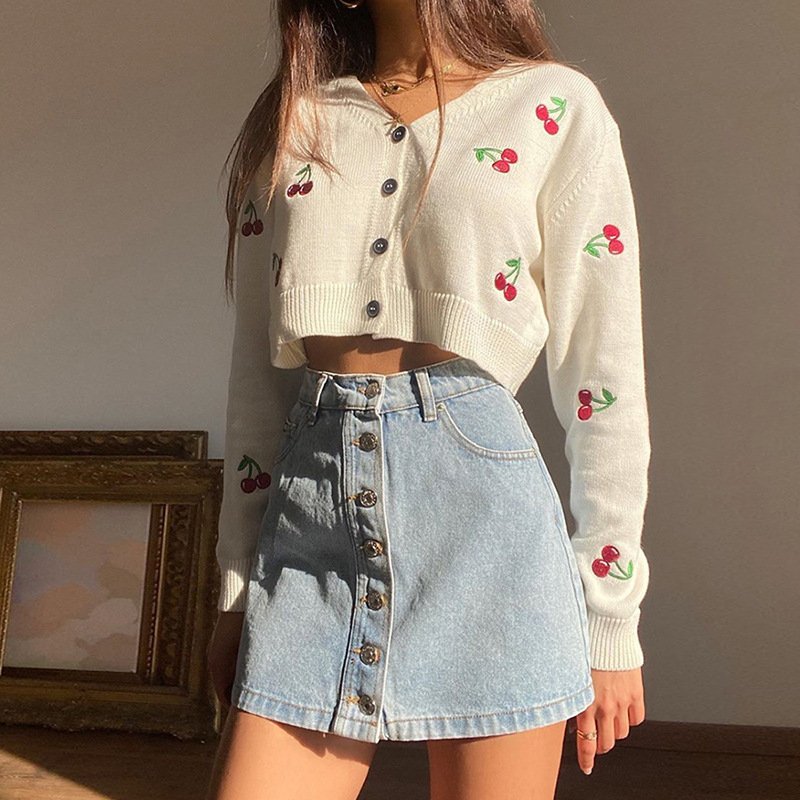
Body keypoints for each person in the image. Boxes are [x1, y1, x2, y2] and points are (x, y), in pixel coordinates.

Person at [205, 1, 651, 798]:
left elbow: (604, 380)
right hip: (311, 525)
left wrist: (610, 619)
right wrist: (238, 589)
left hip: (489, 531)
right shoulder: (300, 119)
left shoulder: (554, 106)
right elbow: (258, 384)